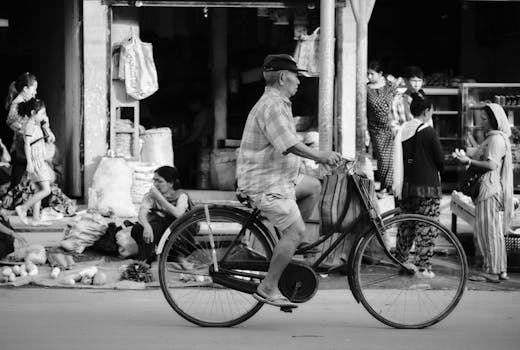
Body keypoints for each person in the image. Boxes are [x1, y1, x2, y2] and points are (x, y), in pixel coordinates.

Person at [236, 54, 342, 308]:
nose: (299, 82)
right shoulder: (272, 105)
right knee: (295, 231)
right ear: (283, 77)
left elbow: (285, 140)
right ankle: (268, 286)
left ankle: (290, 244)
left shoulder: (279, 103)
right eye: (296, 77)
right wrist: (321, 156)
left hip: (281, 178)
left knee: (314, 186)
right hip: (265, 184)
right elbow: (288, 144)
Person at [453, 104, 513, 283]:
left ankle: (492, 271)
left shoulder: (495, 140)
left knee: (489, 233)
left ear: (494, 120)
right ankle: (499, 269)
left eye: (485, 119)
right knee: (493, 231)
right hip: (489, 189)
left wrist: (468, 161)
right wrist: (468, 157)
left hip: (489, 190)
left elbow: (491, 165)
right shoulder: (493, 138)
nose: (482, 122)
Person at [393, 94, 444, 278]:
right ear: (427, 111)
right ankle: (423, 267)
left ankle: (403, 262)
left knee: (406, 227)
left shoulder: (402, 129)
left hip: (406, 187)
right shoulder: (428, 131)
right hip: (428, 188)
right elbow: (440, 161)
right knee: (426, 228)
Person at [130, 166, 194, 265]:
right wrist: (146, 226)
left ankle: (180, 256)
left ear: (170, 183)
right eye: (154, 181)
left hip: (178, 230)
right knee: (138, 228)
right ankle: (145, 259)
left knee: (161, 226)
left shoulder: (181, 195)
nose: (155, 184)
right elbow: (141, 214)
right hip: (160, 227)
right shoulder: (151, 195)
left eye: (159, 181)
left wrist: (159, 198)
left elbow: (178, 214)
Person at [4, 73, 55, 190]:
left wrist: (48, 130)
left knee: (39, 176)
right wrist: (26, 131)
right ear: (25, 88)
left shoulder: (32, 101)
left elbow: (42, 116)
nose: (35, 92)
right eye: (34, 89)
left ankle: (38, 201)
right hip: (24, 146)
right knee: (26, 178)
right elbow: (10, 122)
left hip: (34, 145)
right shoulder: (16, 104)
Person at [14, 99, 54, 226]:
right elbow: (27, 145)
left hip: (39, 160)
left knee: (38, 189)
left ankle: (36, 219)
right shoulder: (30, 124)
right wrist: (29, 163)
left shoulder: (37, 124)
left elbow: (50, 139)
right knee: (46, 190)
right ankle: (23, 208)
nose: (44, 116)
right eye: (42, 113)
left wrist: (46, 126)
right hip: (36, 162)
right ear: (33, 113)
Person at [366, 60, 397, 193]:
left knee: (392, 157)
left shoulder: (389, 86)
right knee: (383, 158)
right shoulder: (366, 89)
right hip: (376, 128)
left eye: (371, 74)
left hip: (391, 127)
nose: (369, 77)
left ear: (380, 74)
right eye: (367, 74)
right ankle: (386, 186)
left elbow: (397, 101)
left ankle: (390, 187)